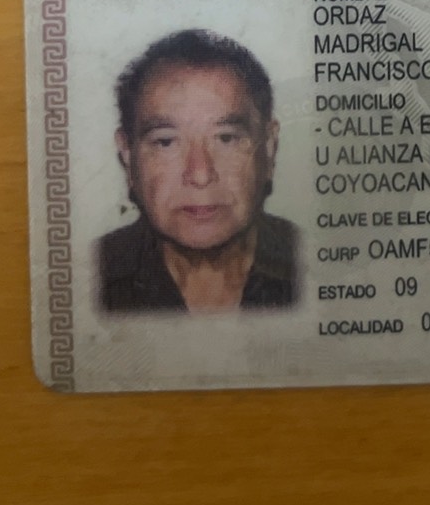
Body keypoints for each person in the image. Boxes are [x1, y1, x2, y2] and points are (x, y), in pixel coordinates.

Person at [97, 29, 296, 313]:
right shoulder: (88, 278)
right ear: (128, 155)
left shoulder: (322, 265)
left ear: (269, 148)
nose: (200, 175)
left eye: (226, 138)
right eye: (166, 142)